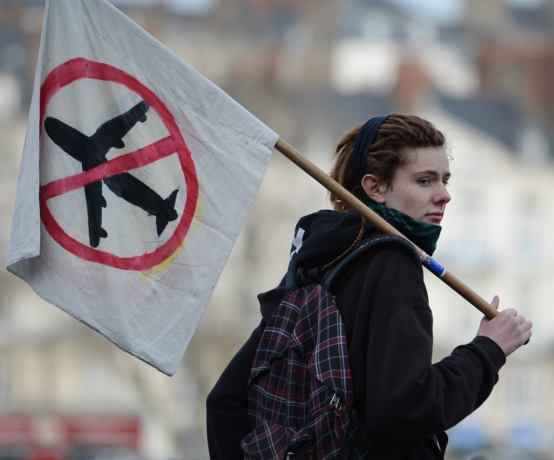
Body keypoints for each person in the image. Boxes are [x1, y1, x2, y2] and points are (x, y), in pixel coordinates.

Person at [207, 114, 533, 459]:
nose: (445, 195)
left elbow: (225, 402)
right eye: (425, 181)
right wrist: (487, 351)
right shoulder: (392, 263)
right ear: (375, 187)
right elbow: (403, 406)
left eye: (445, 180)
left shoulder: (314, 265)